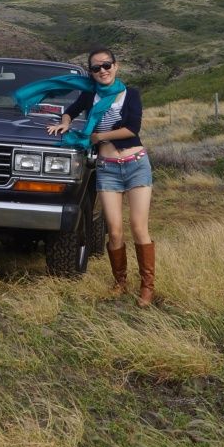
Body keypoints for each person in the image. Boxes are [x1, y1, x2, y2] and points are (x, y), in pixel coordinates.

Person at [46, 48, 155, 306]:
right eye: (96, 68)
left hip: (136, 165)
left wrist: (98, 137)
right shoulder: (90, 96)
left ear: (116, 66)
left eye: (107, 65)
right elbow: (70, 111)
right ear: (91, 73)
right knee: (114, 231)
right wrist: (65, 123)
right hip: (107, 168)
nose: (102, 70)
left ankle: (147, 287)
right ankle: (120, 283)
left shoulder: (130, 94)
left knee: (138, 227)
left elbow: (132, 128)